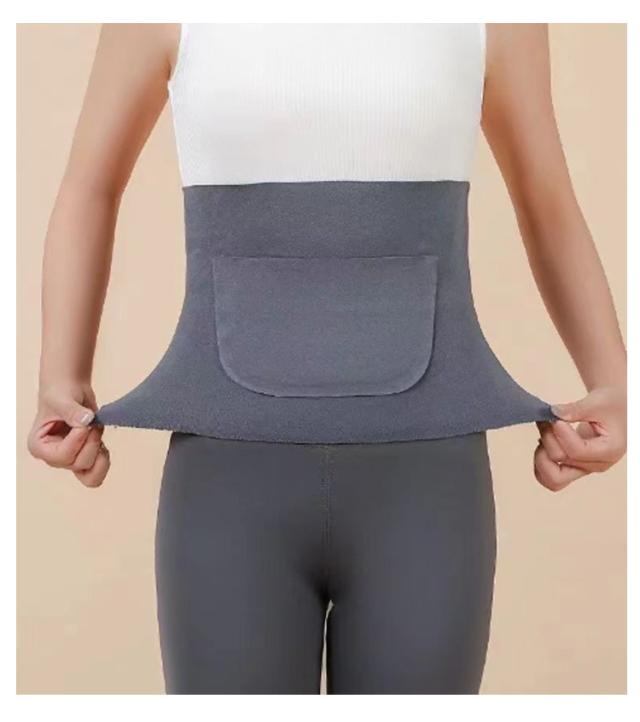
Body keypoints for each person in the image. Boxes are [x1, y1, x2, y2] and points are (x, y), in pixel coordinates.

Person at [27, 24, 626, 694]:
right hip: (229, 485)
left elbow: (546, 195)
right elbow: (91, 183)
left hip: (426, 486)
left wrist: (613, 384)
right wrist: (62, 376)